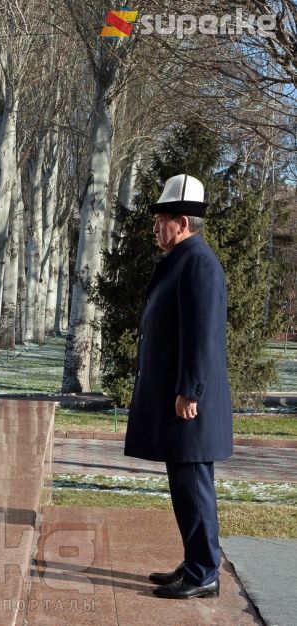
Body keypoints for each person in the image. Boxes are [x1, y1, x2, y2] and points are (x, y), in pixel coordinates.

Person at [124, 174, 233, 599]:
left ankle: (204, 572)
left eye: (162, 219)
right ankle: (196, 561)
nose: (156, 227)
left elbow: (203, 334)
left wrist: (191, 390)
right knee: (185, 485)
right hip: (180, 397)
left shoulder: (198, 263)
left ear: (183, 222)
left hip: (189, 400)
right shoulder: (183, 260)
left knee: (193, 484)